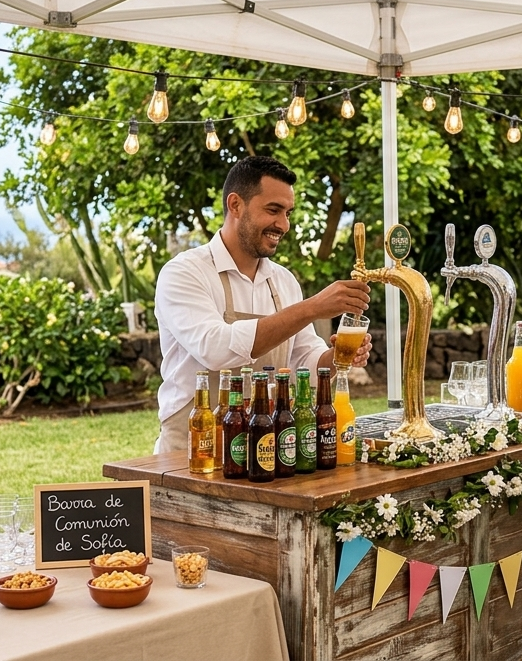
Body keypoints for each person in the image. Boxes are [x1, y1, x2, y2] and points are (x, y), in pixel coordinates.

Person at [153, 156, 373, 453]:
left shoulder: (283, 281)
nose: (283, 224)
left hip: (265, 448)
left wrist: (338, 356)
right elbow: (215, 349)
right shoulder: (184, 273)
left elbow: (305, 361)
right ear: (235, 205)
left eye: (288, 213)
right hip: (194, 449)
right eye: (273, 210)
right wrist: (313, 307)